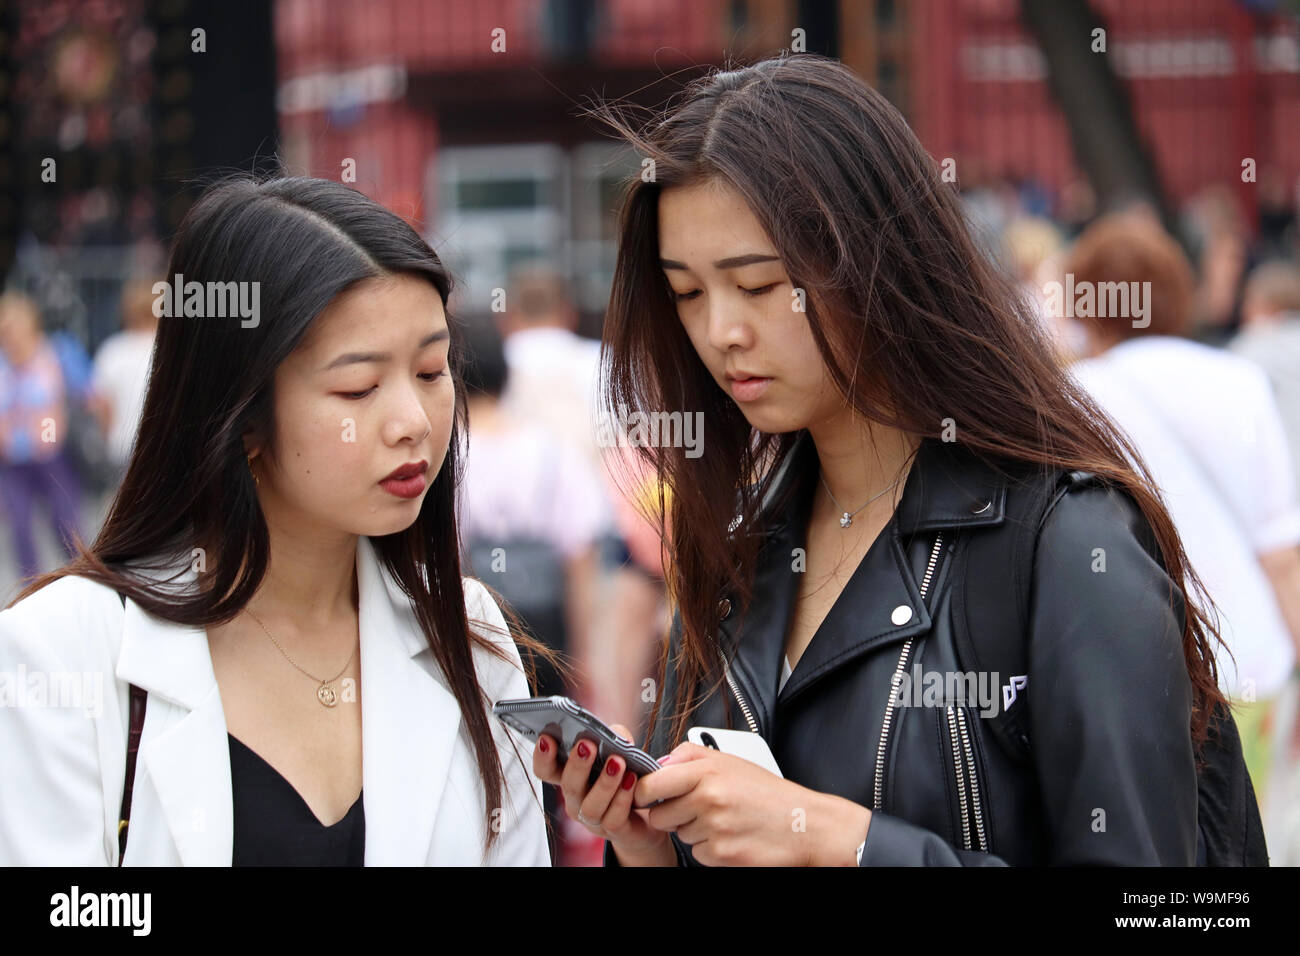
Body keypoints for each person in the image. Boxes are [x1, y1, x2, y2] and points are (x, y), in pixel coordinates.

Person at [535, 54, 1236, 866]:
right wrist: (644, 836)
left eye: (760, 285)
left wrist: (843, 844)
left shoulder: (1067, 543)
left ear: (875, 262)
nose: (720, 330)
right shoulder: (733, 548)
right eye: (687, 293)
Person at [0, 176, 551, 866]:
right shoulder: (63, 649)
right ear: (243, 413)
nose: (413, 422)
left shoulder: (468, 635)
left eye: (433, 371)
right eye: (359, 386)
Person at [1064, 215, 1300, 803]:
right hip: (1247, 663)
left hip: (1125, 673)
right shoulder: (1240, 380)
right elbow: (1282, 555)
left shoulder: (1071, 394)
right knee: (1248, 839)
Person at [0, 291, 86, 583]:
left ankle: (83, 579)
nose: (9, 336)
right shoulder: (2, 365)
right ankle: (32, 589)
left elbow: (88, 394)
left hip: (51, 456)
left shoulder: (55, 354)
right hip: (12, 459)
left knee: (65, 523)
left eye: (13, 328)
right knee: (20, 528)